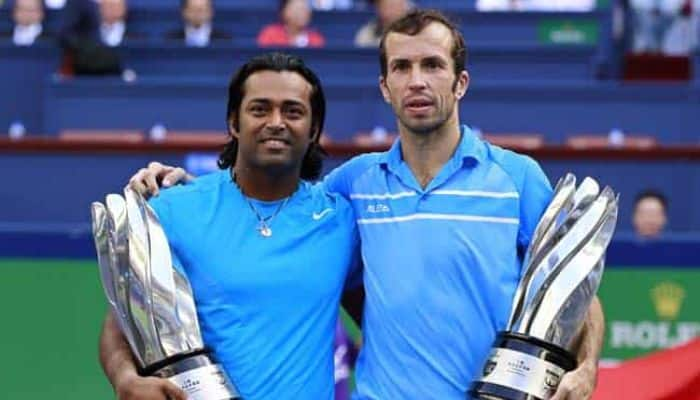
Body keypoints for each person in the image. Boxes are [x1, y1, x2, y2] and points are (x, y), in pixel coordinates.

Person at [128, 9, 605, 400]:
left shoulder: (517, 179)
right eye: (402, 67)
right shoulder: (353, 185)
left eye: (432, 65)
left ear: (460, 83)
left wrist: (586, 371)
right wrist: (183, 186)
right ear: (385, 87)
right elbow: (267, 197)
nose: (417, 81)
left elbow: (574, 289)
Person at [99, 52, 360, 399]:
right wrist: (126, 379)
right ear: (234, 123)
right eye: (260, 109)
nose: (276, 122)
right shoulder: (174, 209)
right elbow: (122, 322)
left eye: (293, 111)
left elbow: (382, 319)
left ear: (313, 130)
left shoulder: (341, 220)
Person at [257, 0, 326, 48]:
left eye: (304, 9)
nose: (302, 13)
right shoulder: (270, 34)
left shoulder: (316, 39)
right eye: (297, 9)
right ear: (284, 12)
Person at [165, 0, 231, 47]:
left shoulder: (224, 41)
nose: (197, 14)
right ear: (184, 12)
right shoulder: (170, 40)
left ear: (211, 12)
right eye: (193, 9)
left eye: (202, 9)